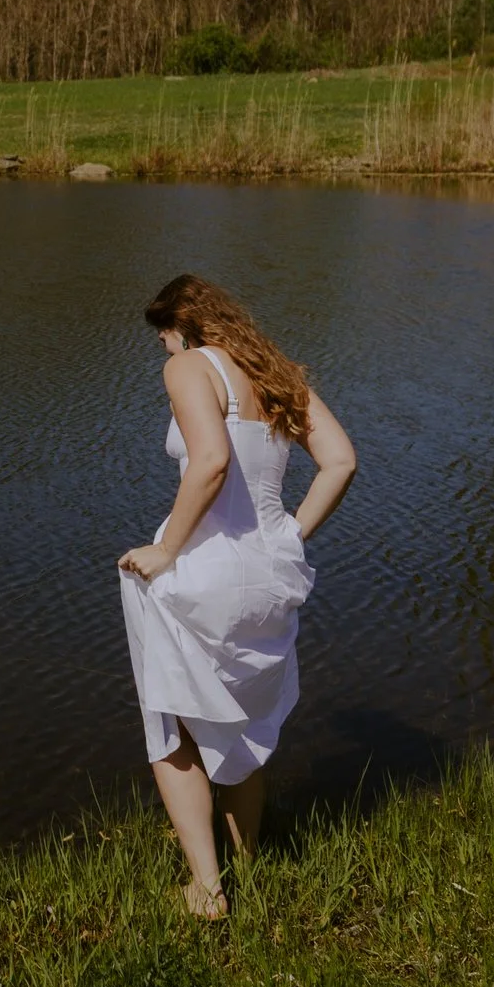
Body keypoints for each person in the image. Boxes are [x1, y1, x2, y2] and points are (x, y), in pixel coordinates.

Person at [117, 274, 357, 918]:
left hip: (201, 568)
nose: (166, 354)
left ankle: (207, 887)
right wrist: (289, 535)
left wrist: (166, 551)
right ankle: (246, 862)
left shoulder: (193, 366)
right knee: (241, 724)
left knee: (171, 724)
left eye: (164, 339)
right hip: (269, 573)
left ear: (180, 325)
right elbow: (340, 461)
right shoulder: (273, 370)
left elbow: (212, 459)